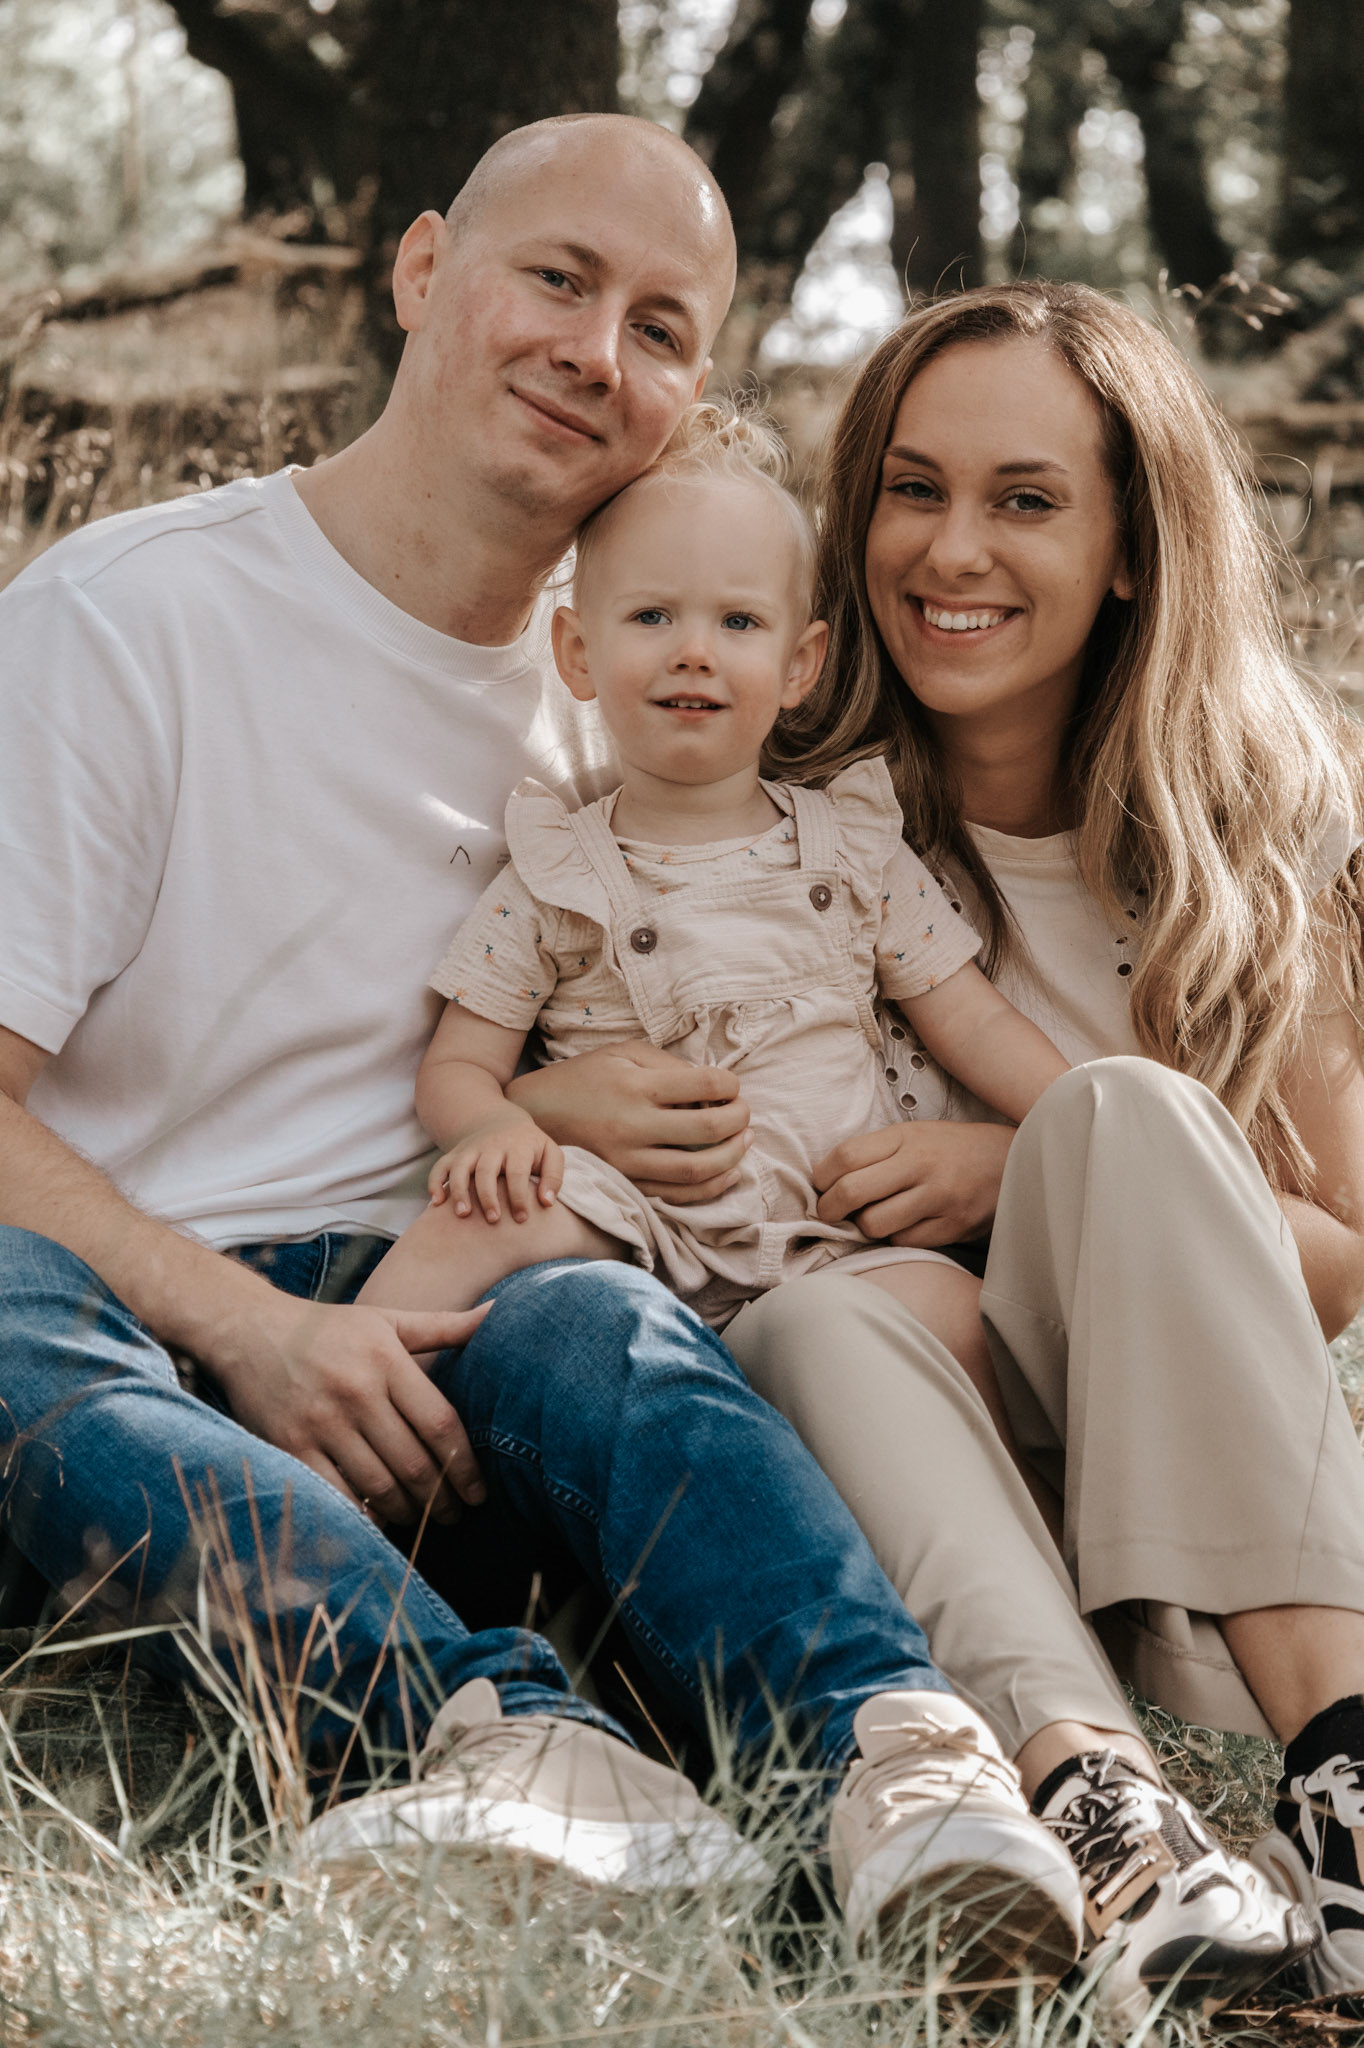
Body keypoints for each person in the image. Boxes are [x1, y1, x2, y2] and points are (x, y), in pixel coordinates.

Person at [0, 114, 1110, 1988]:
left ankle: (897, 1762)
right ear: (424, 268)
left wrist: (547, 1110)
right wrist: (257, 1330)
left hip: (493, 1352)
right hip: (151, 1377)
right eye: (559, 280)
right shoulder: (129, 625)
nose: (598, 353)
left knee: (601, 1319)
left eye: (661, 328)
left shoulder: (648, 681)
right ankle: (500, 1731)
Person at [671, 279, 1364, 2005]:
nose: (951, 550)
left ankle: (1345, 1775)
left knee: (1115, 1110)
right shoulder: (768, 802)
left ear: (1130, 548)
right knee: (825, 1315)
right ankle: (1109, 1814)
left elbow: (1344, 1254)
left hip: (1196, 1491)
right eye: (911, 490)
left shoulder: (1243, 831)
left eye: (1025, 500)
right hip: (904, 1479)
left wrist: (1025, 1168)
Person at [353, 402, 1068, 1403]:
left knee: (964, 1323)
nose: (693, 651)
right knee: (473, 1219)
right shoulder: (556, 873)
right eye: (652, 616)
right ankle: (342, 1406)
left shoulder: (854, 846)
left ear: (798, 664)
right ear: (577, 652)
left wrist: (1076, 1125)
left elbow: (975, 1021)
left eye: (737, 622)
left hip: (838, 1230)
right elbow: (459, 1064)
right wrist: (490, 1129)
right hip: (628, 1217)